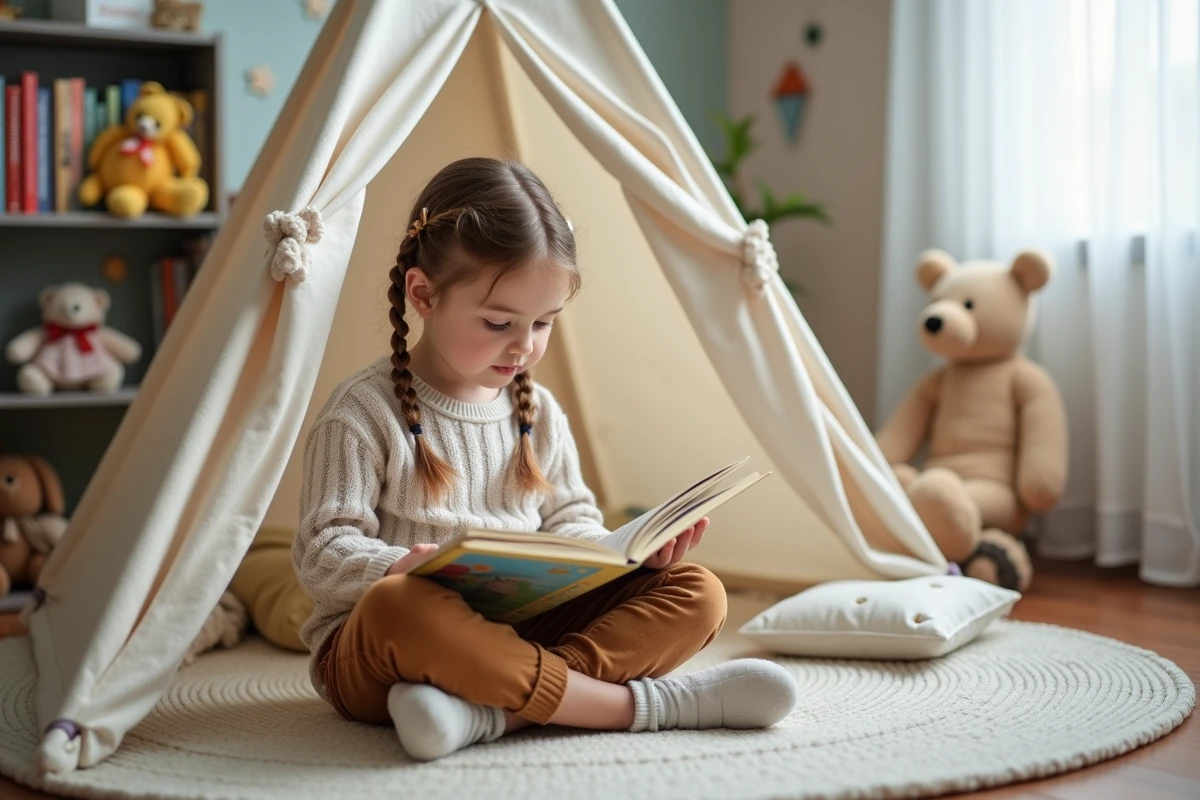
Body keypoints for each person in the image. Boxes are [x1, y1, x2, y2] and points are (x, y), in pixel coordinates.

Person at [293, 157, 797, 761]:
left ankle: (491, 713)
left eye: (543, 323)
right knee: (404, 607)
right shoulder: (361, 413)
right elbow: (322, 553)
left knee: (699, 592)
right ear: (423, 295)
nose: (524, 345)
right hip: (386, 650)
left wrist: (623, 557)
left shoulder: (539, 411)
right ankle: (642, 707)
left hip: (517, 630)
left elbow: (572, 520)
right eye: (500, 322)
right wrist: (399, 568)